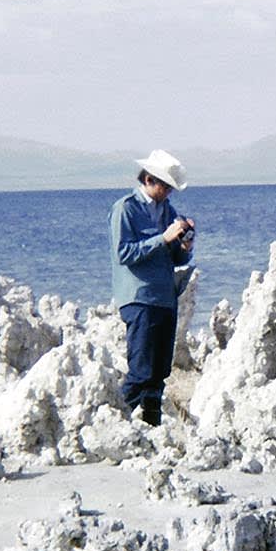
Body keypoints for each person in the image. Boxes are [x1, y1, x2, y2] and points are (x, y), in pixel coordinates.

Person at [109, 148, 194, 426]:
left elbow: (177, 258)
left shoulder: (168, 211)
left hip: (165, 298)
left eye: (171, 188)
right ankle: (120, 424)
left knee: (159, 372)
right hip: (139, 298)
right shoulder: (126, 209)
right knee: (141, 370)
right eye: (165, 186)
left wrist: (184, 244)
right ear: (148, 179)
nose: (168, 192)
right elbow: (124, 254)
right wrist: (162, 238)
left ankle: (152, 427)